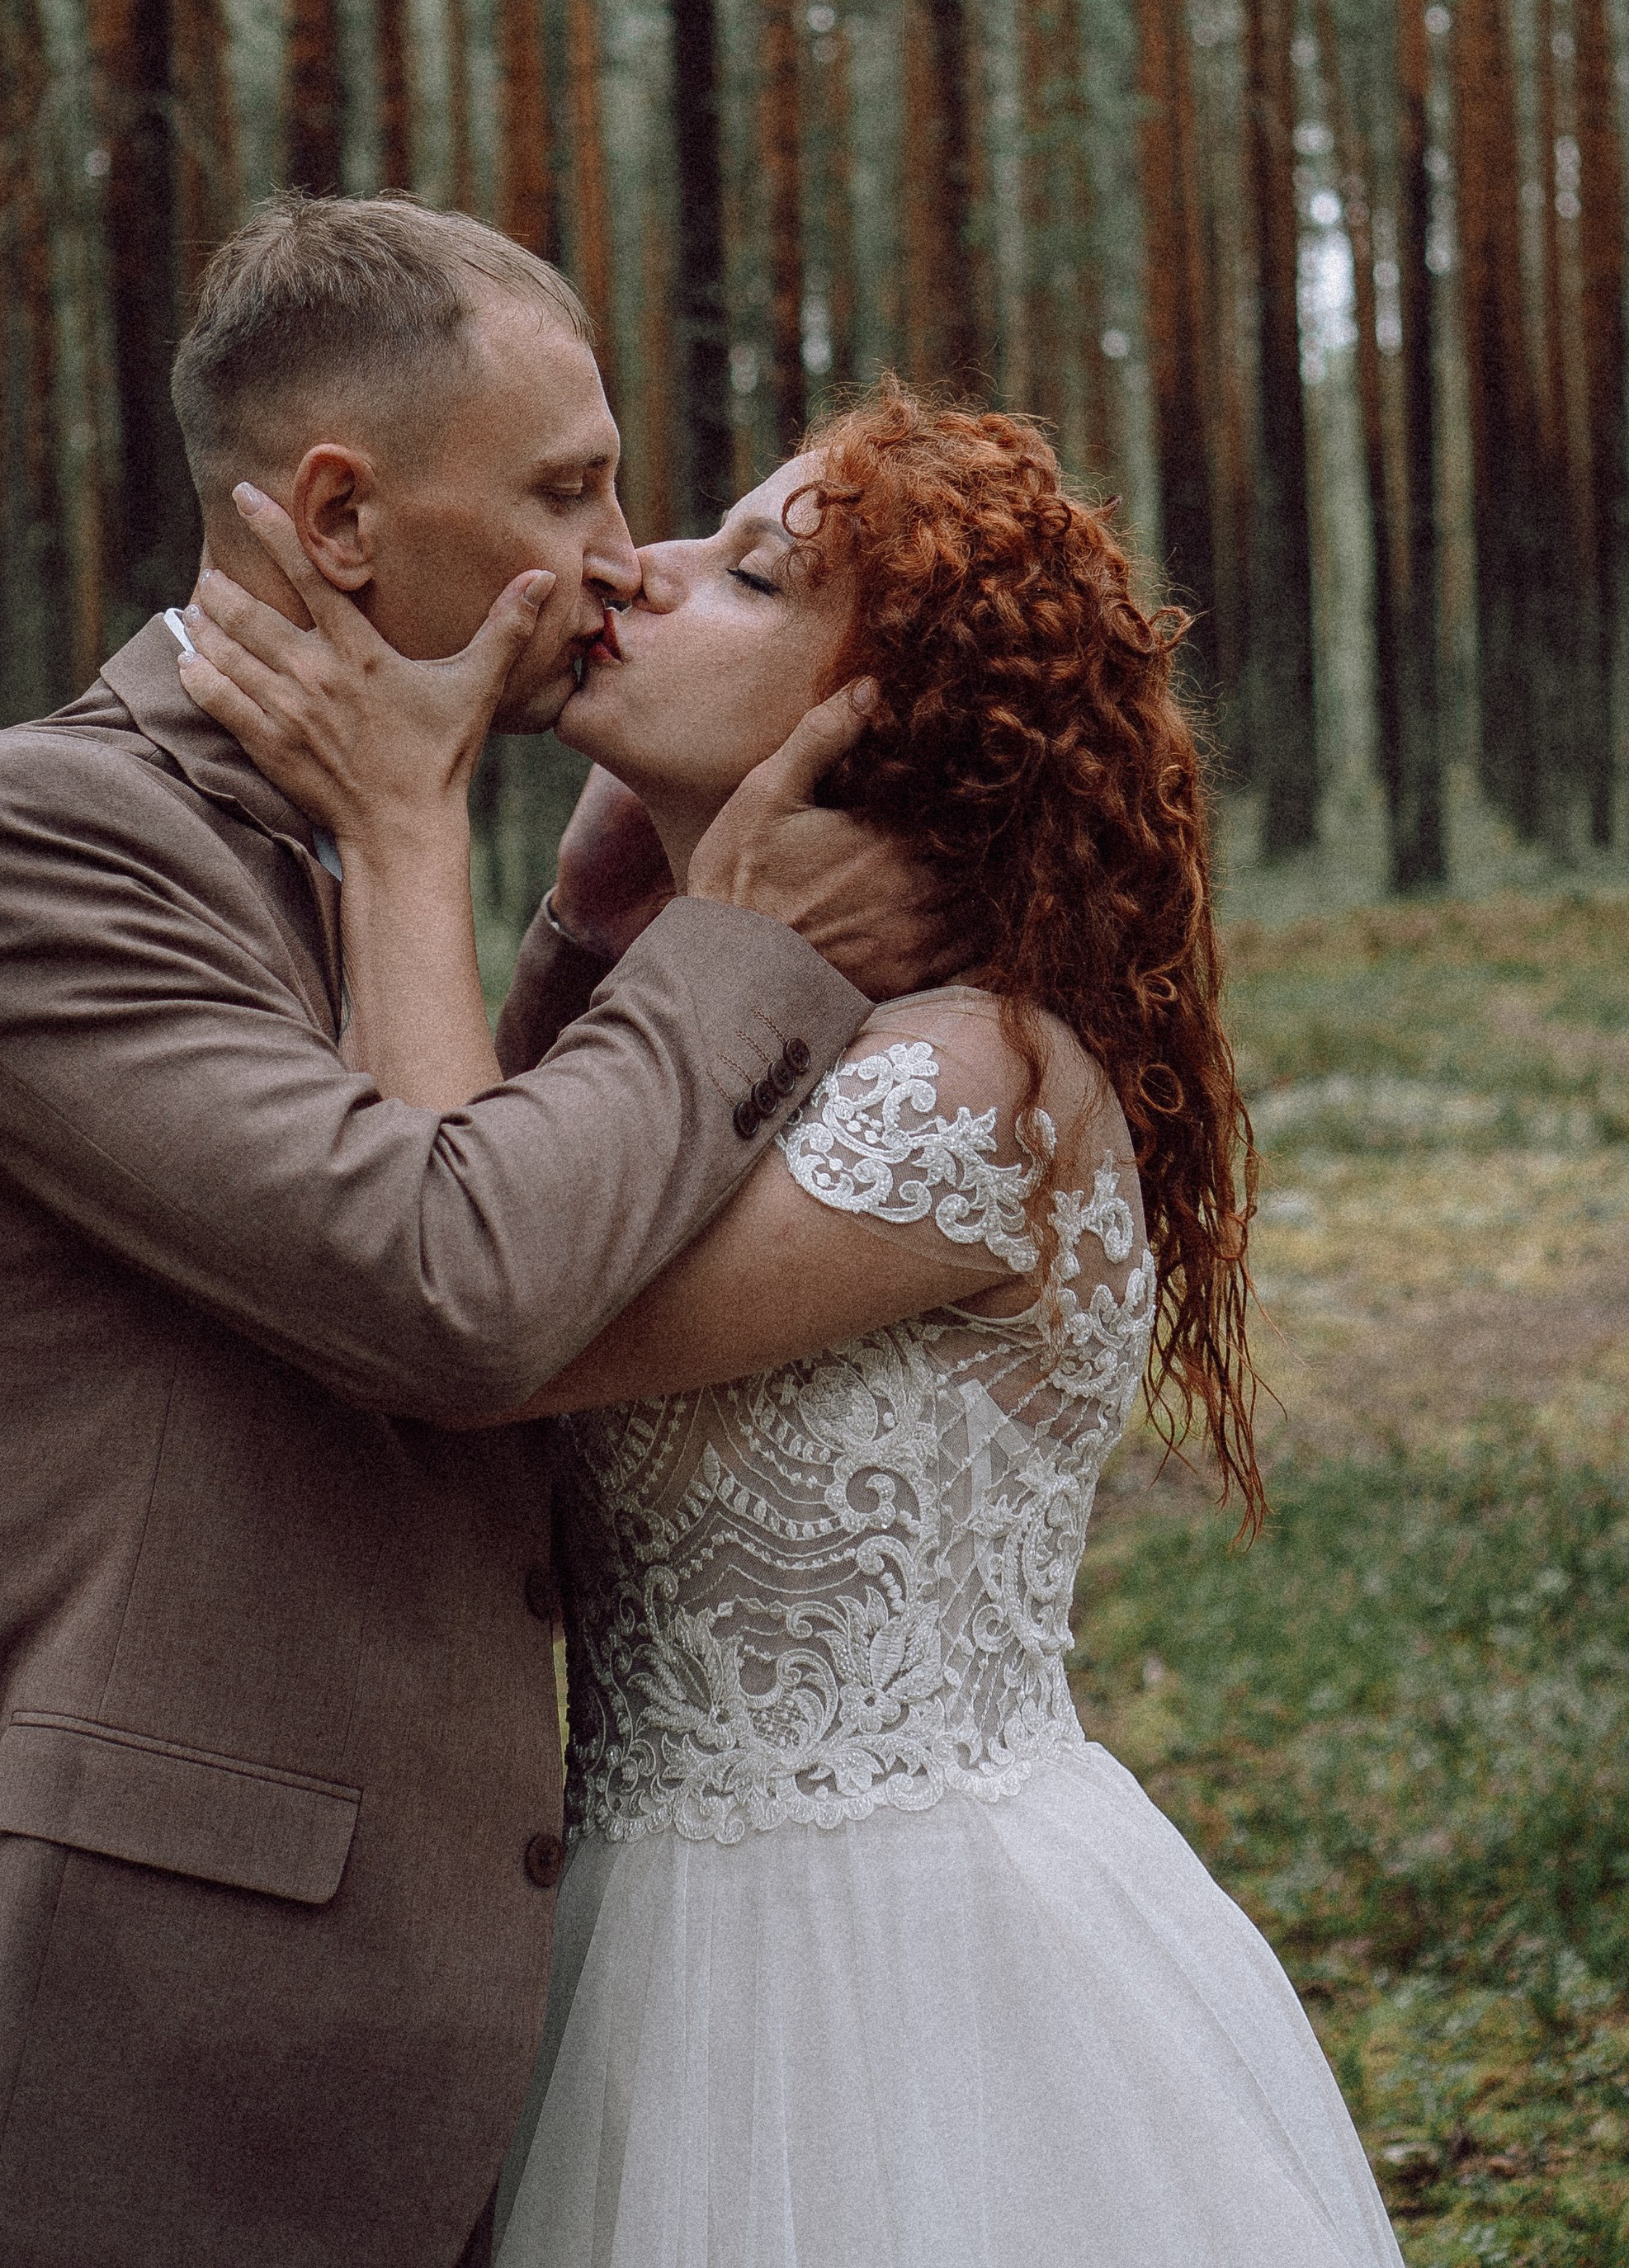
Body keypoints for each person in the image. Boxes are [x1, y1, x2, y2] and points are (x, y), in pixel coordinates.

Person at [0, 197, 934, 2268]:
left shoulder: (364, 826)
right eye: (566, 490)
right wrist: (729, 951)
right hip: (137, 2013)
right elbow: (451, 1283)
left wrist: (586, 947)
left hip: (442, 2001)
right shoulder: (22, 841)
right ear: (336, 516)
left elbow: (459, 1190)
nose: (612, 554)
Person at [176, 380, 1406, 2268]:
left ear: (878, 731)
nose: (632, 571)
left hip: (897, 1970)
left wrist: (405, 826)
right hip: (632, 1931)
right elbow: (521, 1196)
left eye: (746, 576)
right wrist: (599, 928)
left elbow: (468, 1297)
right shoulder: (763, 1030)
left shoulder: (962, 1078)